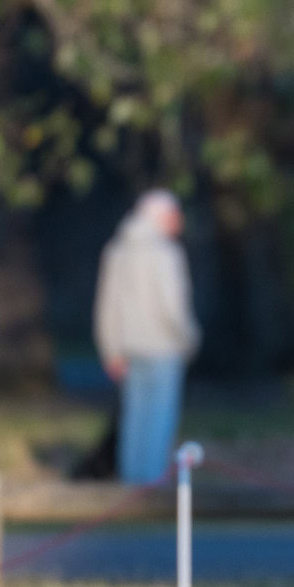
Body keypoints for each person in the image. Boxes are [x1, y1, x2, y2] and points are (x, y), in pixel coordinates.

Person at [93, 189, 200, 484]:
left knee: (134, 421)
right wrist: (189, 338)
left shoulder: (117, 250)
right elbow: (173, 308)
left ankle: (130, 485)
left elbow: (107, 305)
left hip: (128, 350)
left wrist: (110, 349)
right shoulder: (166, 253)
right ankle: (151, 487)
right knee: (160, 420)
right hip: (163, 348)